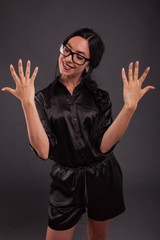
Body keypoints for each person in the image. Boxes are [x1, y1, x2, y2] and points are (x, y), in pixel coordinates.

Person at [1, 28, 155, 240]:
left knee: (98, 237)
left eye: (79, 56)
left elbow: (103, 146)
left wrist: (129, 108)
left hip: (102, 176)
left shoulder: (100, 98)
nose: (68, 58)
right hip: (66, 182)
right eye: (67, 50)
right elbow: (44, 151)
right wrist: (27, 103)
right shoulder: (42, 99)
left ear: (89, 65)